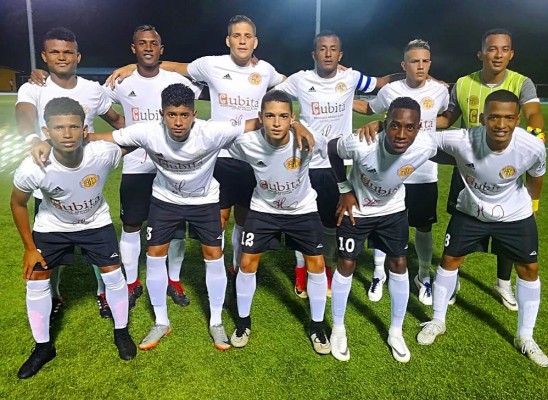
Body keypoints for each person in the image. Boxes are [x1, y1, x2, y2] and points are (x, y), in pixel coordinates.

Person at [30, 83, 313, 351]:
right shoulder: (147, 132)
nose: (178, 122)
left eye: (184, 115)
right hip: (165, 201)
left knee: (214, 254)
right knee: (155, 253)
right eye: (171, 114)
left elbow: (259, 122)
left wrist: (296, 124)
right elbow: (101, 137)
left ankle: (216, 322)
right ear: (161, 114)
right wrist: (48, 142)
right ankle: (161, 322)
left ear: (194, 114)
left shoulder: (212, 131)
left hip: (204, 201)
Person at [106, 15, 285, 281]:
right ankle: (212, 268)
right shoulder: (210, 64)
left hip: (253, 156)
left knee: (245, 219)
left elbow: (289, 85)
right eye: (237, 36)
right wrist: (135, 65)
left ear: (255, 42)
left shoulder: (266, 70)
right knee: (219, 220)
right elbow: (175, 66)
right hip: (220, 155)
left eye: (247, 36)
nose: (242, 41)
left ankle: (235, 268)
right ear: (228, 40)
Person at [417, 90, 548, 368]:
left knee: (529, 269)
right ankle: (437, 321)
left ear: (518, 119)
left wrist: (532, 207)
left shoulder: (532, 146)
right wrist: (381, 126)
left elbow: (537, 175)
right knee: (450, 260)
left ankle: (525, 337)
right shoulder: (462, 139)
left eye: (509, 118)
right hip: (470, 212)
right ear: (483, 118)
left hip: (515, 215)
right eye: (494, 117)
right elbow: (418, 137)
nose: (501, 124)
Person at [11, 97, 135, 379]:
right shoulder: (33, 167)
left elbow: (136, 139)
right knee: (36, 280)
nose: (66, 134)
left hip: (95, 222)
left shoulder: (103, 153)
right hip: (52, 226)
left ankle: (121, 332)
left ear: (84, 129)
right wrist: (29, 248)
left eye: (73, 127)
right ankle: (43, 347)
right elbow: (17, 203)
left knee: (114, 276)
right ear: (46, 131)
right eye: (58, 128)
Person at [273, 30, 396, 299]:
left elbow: (383, 82)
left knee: (331, 222)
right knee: (302, 219)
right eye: (322, 48)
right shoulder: (300, 80)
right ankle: (301, 270)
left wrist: (424, 77)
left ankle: (325, 267)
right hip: (304, 163)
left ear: (340, 55)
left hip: (336, 163)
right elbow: (271, 99)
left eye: (332, 49)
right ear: (313, 54)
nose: (327, 53)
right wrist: (293, 122)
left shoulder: (350, 77)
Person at [16, 27, 125, 319]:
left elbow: (116, 120)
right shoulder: (35, 87)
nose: (62, 57)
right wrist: (33, 140)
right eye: (55, 52)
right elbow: (24, 114)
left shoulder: (92, 89)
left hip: (85, 179)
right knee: (51, 252)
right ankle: (53, 296)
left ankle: (103, 293)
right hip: (48, 182)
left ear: (78, 56)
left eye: (68, 52)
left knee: (98, 248)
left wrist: (144, 135)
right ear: (44, 56)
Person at [436, 28, 545, 310]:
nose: (498, 54)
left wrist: (537, 133)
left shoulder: (522, 83)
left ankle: (503, 283)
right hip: (469, 166)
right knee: (461, 226)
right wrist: (414, 123)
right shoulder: (463, 83)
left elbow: (533, 113)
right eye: (492, 48)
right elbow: (447, 119)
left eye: (504, 49)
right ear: (481, 53)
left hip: (505, 165)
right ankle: (453, 280)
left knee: (507, 223)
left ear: (511, 54)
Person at [328, 97, 437, 363]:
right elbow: (332, 149)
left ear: (419, 128)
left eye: (409, 127)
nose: (401, 134)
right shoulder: (361, 142)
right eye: (394, 125)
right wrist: (344, 189)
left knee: (399, 263)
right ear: (385, 124)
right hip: (358, 210)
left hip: (392, 210)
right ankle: (338, 329)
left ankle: (395, 332)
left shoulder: (426, 145)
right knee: (346, 264)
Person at [104, 25, 204, 309]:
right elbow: (93, 101)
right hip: (136, 167)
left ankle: (174, 280)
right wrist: (120, 126)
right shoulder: (121, 81)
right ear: (133, 48)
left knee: (175, 228)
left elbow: (209, 78)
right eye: (142, 43)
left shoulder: (176, 80)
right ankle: (132, 283)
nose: (148, 48)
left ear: (161, 49)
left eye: (153, 43)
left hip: (172, 167)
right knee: (131, 225)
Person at [227, 90, 330, 354]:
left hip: (302, 209)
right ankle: (243, 323)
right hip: (264, 209)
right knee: (246, 263)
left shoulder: (308, 139)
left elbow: (338, 150)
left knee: (317, 265)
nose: (276, 123)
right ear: (260, 117)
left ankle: (317, 326)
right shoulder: (246, 143)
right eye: (270, 116)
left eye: (283, 117)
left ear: (292, 118)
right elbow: (219, 142)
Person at [352, 39, 449, 305]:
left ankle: (424, 276)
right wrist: (341, 101)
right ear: (404, 65)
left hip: (423, 172)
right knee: (383, 223)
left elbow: (446, 117)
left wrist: (428, 130)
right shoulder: (391, 90)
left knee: (423, 227)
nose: (420, 66)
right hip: (389, 171)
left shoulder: (440, 91)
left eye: (425, 61)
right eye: (414, 61)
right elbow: (371, 109)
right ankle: (378, 274)